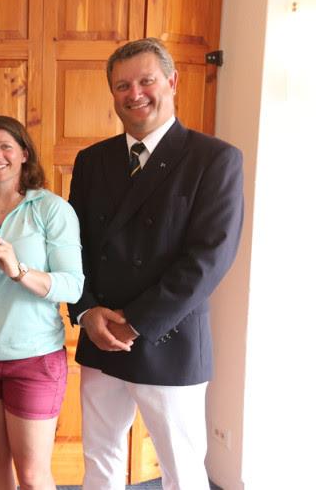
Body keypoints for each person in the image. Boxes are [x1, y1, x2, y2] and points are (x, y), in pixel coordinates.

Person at [68, 38, 244, 490]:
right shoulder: (91, 161)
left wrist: (138, 321)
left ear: (172, 81)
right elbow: (74, 248)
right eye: (122, 85)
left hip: (171, 339)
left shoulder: (214, 159)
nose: (135, 94)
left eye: (146, 80)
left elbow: (209, 258)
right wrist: (87, 312)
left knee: (182, 472)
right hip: (101, 336)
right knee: (100, 461)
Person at [0, 115, 84, 490]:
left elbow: (72, 286)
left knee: (32, 475)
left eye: (6, 146)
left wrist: (18, 270)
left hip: (34, 358)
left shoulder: (51, 210)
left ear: (24, 153)